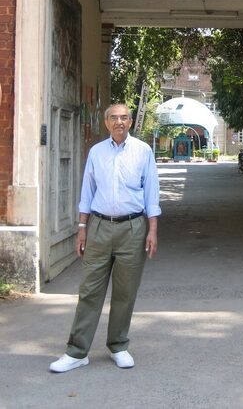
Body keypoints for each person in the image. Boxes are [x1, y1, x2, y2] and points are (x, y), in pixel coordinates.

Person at [49, 104, 161, 373]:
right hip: (98, 227)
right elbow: (87, 191)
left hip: (133, 229)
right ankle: (77, 351)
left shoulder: (142, 151)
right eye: (114, 118)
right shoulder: (96, 152)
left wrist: (152, 231)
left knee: (125, 292)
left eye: (124, 117)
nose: (119, 122)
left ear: (131, 121)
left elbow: (151, 193)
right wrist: (82, 227)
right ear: (106, 122)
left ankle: (118, 346)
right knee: (90, 290)